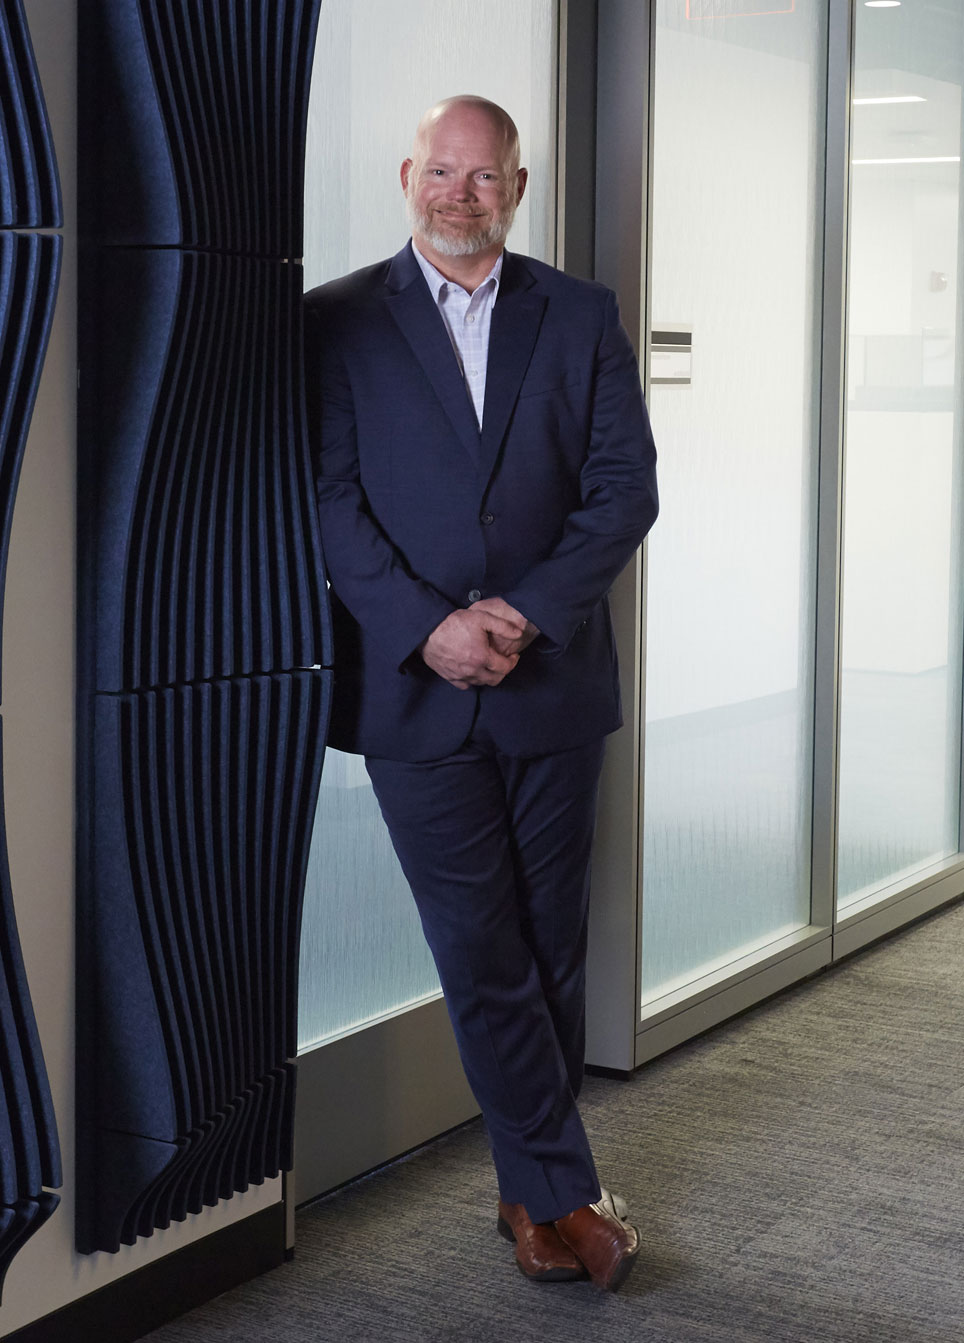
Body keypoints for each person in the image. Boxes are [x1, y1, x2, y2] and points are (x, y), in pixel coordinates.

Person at [304, 95, 658, 1292]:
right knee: (477, 943)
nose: (462, 194)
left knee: (549, 943)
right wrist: (430, 628)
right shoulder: (335, 320)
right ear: (409, 176)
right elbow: (328, 503)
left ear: (517, 186)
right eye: (442, 172)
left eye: (485, 175)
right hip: (412, 688)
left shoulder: (581, 314)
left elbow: (623, 488)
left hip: (550, 678)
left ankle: (526, 1192)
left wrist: (522, 612)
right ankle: (567, 1195)